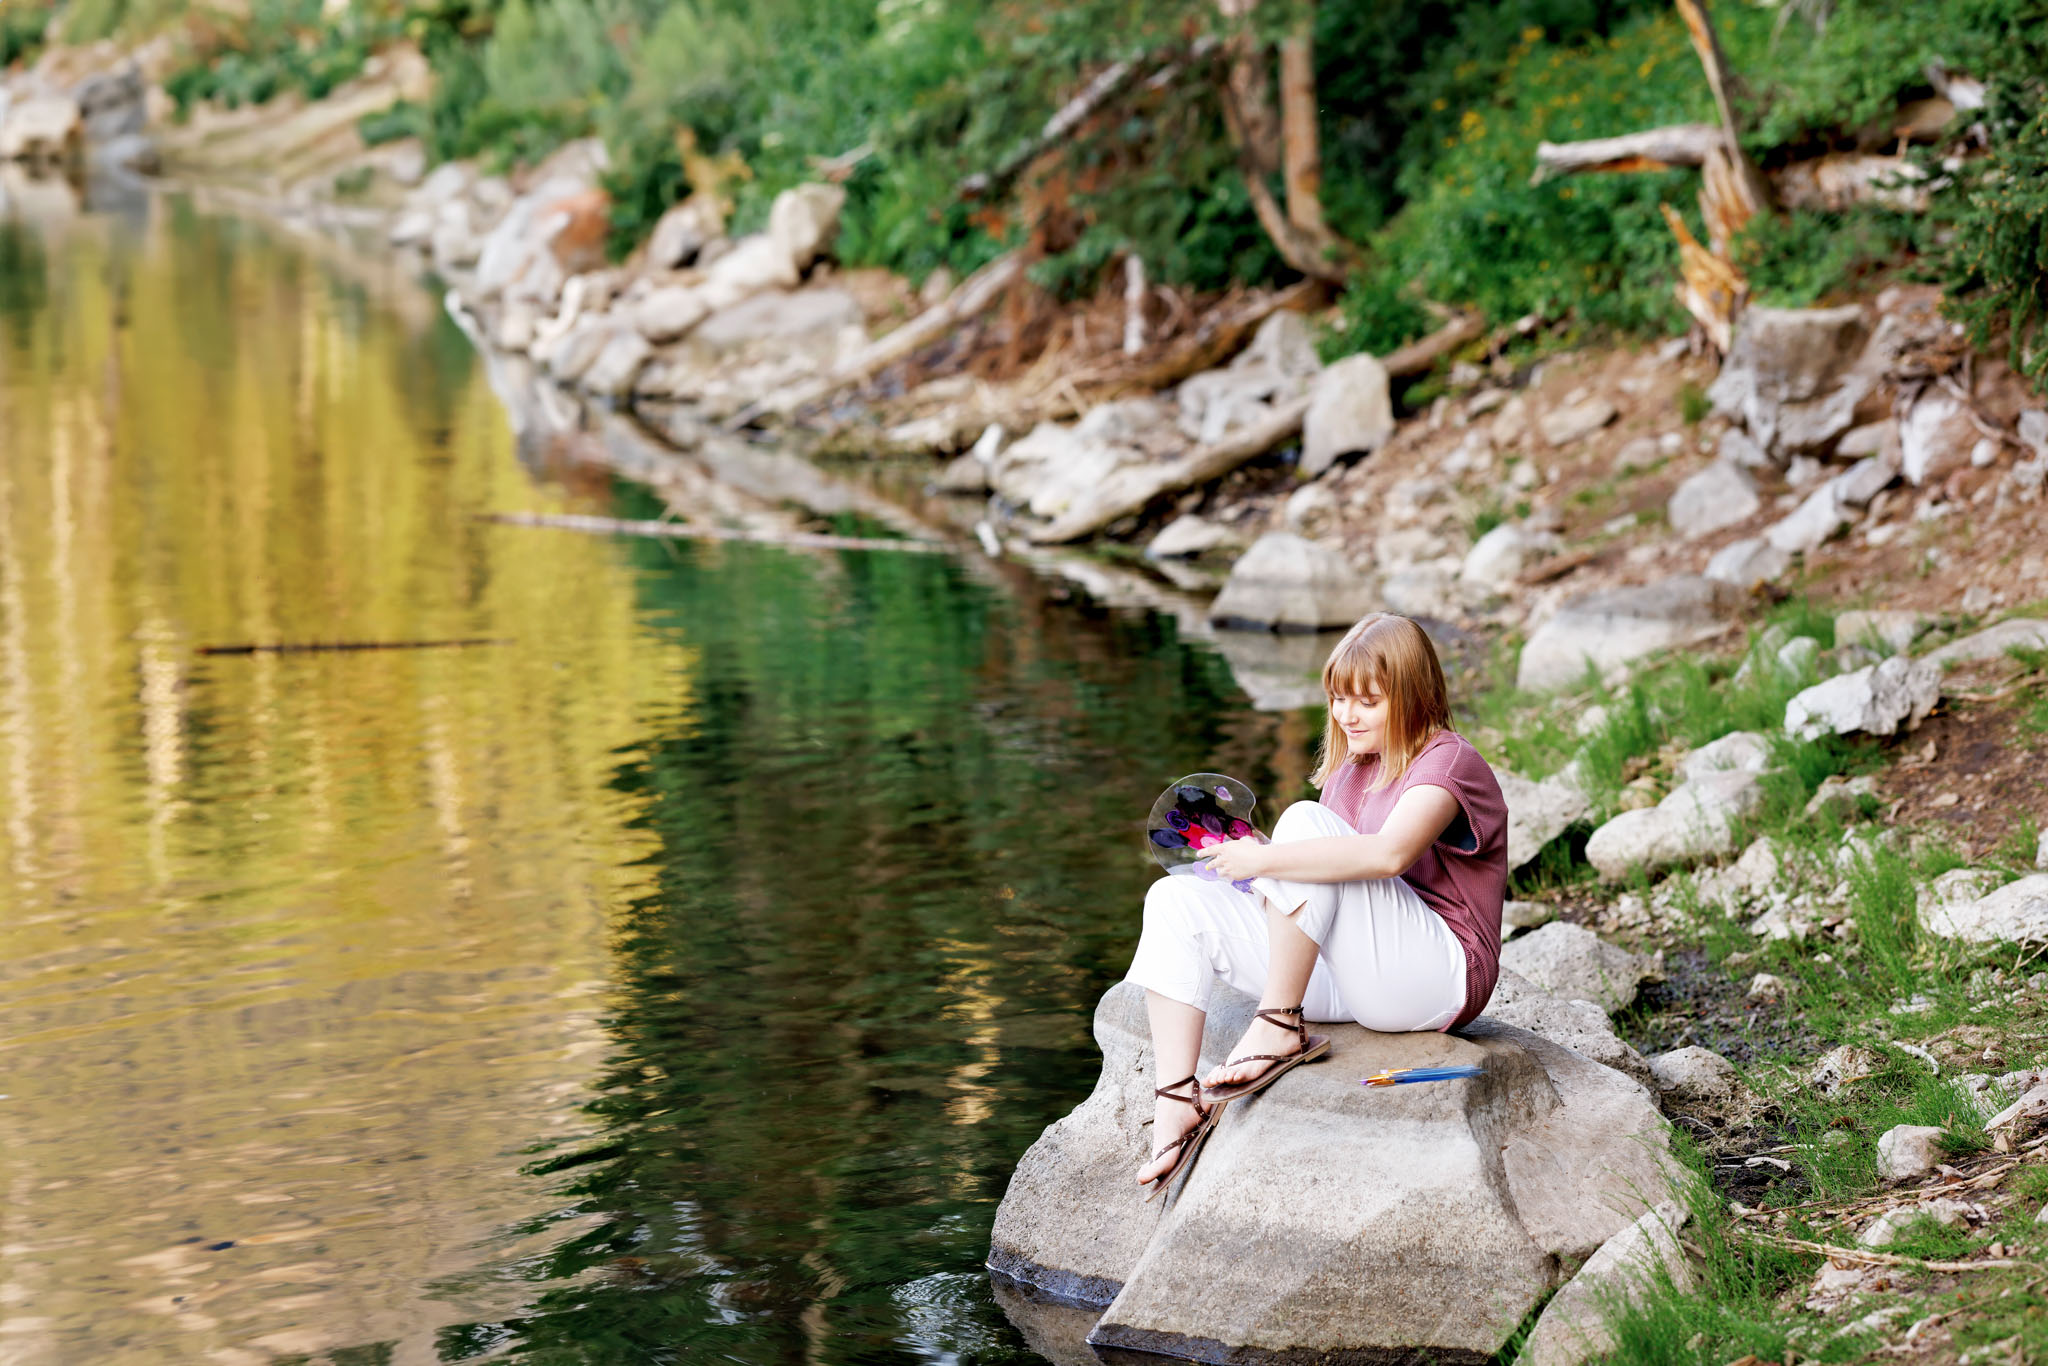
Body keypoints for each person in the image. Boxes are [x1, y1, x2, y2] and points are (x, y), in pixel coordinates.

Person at [1127, 612, 1507, 1195]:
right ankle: (1176, 1097)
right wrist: (1256, 863)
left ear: (1413, 694)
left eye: (1367, 701)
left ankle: (1279, 1024)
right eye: (1337, 699)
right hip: (1358, 978)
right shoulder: (1351, 770)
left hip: (1438, 978)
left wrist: (1273, 859)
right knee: (1174, 900)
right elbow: (1328, 884)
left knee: (1303, 824)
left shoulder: (1448, 761)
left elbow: (1385, 857)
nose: (1345, 715)